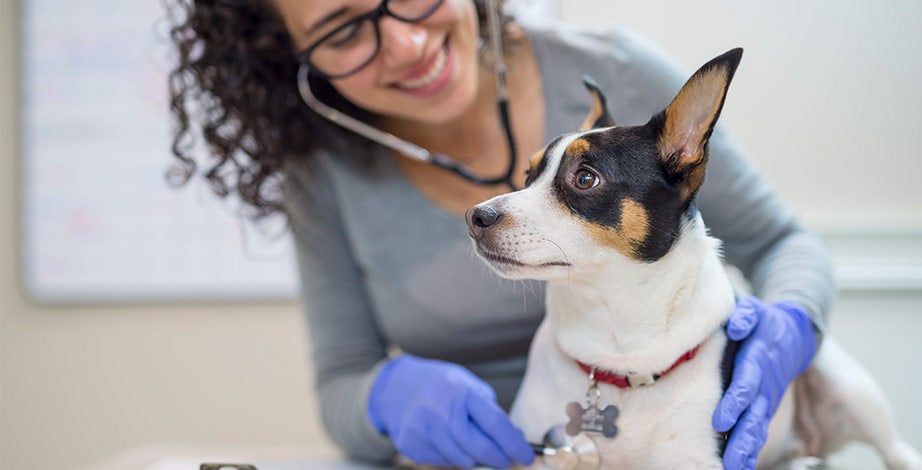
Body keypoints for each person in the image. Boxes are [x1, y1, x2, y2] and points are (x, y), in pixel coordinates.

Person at [166, 1, 835, 469]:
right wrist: (383, 400)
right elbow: (340, 378)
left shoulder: (621, 72)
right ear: (293, 60)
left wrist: (794, 326)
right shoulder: (322, 169)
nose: (405, 43)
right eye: (344, 32)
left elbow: (783, 242)